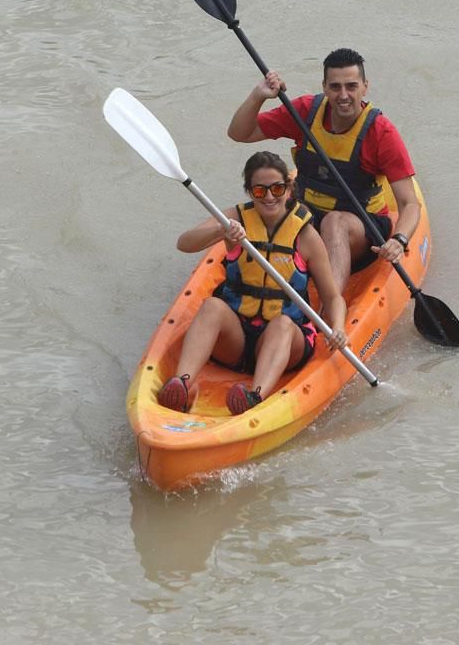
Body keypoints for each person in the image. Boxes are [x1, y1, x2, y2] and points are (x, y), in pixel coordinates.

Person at [158, 151, 349, 415]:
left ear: (288, 189)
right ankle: (182, 384)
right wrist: (219, 231)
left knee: (282, 324)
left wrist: (338, 327)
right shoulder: (234, 218)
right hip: (237, 338)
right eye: (260, 191)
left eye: (277, 189)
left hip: (284, 342)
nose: (270, 197)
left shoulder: (305, 234)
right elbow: (184, 243)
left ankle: (254, 397)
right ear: (250, 191)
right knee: (213, 305)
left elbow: (332, 297)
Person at [227, 47, 419, 293]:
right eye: (335, 87)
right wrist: (258, 96)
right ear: (325, 87)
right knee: (281, 208)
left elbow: (409, 203)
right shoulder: (306, 111)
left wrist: (399, 239)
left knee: (334, 221)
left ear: (365, 87)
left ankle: (330, 309)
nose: (344, 95)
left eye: (351, 86)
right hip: (310, 212)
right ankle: (256, 289)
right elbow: (239, 133)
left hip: (363, 227)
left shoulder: (382, 133)